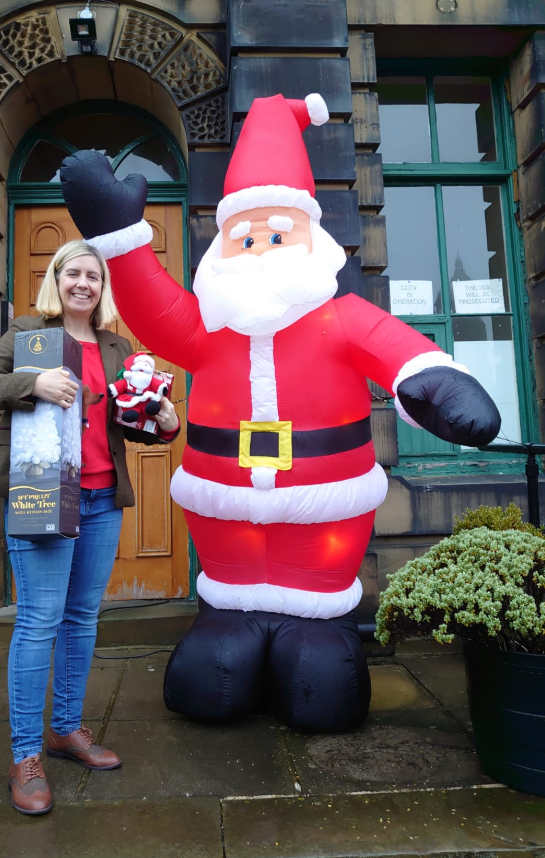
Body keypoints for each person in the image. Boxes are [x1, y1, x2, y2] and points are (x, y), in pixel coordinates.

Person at [59, 94, 500, 734]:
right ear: (224, 244)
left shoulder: (340, 317)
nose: (262, 248)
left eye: (277, 233)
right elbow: (156, 312)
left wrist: (440, 386)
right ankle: (229, 627)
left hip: (324, 516)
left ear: (311, 239)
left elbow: (399, 352)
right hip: (225, 517)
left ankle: (316, 631)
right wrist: (121, 243)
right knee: (216, 668)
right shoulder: (210, 324)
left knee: (318, 672)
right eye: (247, 236)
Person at [0, 240, 179, 815]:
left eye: (93, 276)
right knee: (39, 621)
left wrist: (163, 422)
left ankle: (66, 730)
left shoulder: (117, 347)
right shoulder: (29, 333)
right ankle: (26, 755)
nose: (84, 283)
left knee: (82, 618)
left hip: (102, 498)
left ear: (103, 288)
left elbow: (128, 423)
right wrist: (31, 384)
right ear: (56, 279)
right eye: (73, 273)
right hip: (42, 496)